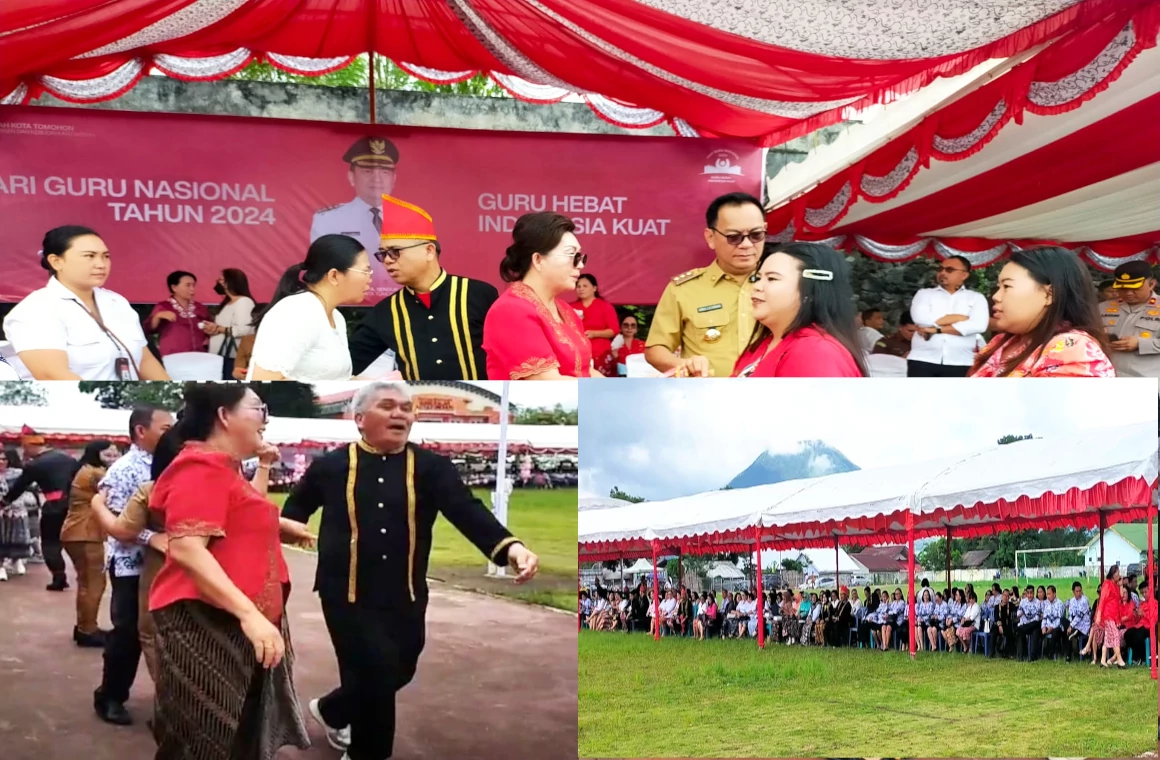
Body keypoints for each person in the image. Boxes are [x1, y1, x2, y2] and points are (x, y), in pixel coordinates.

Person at [281, 382, 540, 759]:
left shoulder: (432, 468)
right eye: (387, 406)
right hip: (346, 592)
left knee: (399, 668)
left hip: (407, 593)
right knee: (374, 673)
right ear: (359, 419)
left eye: (406, 408)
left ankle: (333, 710)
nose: (400, 414)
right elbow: (294, 511)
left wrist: (511, 547)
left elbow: (467, 510)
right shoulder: (331, 467)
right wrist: (289, 526)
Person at [147, 383, 313, 758]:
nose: (264, 421)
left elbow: (230, 512)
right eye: (258, 409)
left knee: (236, 731)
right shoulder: (199, 467)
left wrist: (282, 526)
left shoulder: (224, 467)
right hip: (206, 619)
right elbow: (188, 548)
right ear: (224, 415)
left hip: (236, 619)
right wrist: (249, 616)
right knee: (202, 737)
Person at [348, 195, 497, 380]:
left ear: (429, 251)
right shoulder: (386, 312)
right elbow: (345, 366)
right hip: (418, 407)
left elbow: (511, 355)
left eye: (395, 252)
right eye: (383, 254)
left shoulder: (478, 294)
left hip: (479, 405)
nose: (387, 260)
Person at [93, 405, 174, 726]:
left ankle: (171, 704)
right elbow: (110, 520)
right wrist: (150, 537)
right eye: (166, 429)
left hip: (168, 565)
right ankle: (110, 696)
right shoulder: (124, 469)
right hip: (131, 565)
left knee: (167, 634)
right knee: (127, 633)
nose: (174, 434)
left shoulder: (171, 463)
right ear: (142, 431)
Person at [3, 226, 170, 380]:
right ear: (56, 261)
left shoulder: (117, 303)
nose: (101, 264)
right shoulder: (36, 309)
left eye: (105, 256)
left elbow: (145, 360)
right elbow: (52, 375)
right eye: (89, 256)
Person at [646, 192, 763, 379]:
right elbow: (655, 350)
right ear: (710, 237)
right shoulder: (684, 289)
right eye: (734, 237)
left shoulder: (784, 284)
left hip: (770, 396)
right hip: (705, 399)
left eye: (756, 235)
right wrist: (685, 365)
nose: (747, 244)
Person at [482, 212, 594, 379]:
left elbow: (588, 372)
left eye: (581, 257)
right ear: (538, 260)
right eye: (573, 256)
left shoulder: (565, 310)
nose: (580, 265)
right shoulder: (511, 310)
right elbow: (547, 384)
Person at [971, 247, 1114, 377]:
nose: (996, 297)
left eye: (1007, 286)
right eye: (998, 287)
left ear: (1049, 294)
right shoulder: (1002, 341)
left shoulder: (1070, 349)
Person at [248, 234, 372, 381]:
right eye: (365, 271)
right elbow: (265, 380)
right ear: (334, 276)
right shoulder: (297, 312)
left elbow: (334, 380)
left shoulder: (336, 317)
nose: (370, 278)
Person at [732, 243, 866, 377]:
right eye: (758, 278)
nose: (756, 286)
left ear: (810, 292)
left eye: (772, 278)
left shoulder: (815, 353)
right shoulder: (766, 343)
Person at [310, 136, 403, 299]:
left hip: (402, 300)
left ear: (394, 178)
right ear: (351, 177)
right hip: (350, 305)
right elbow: (324, 269)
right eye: (368, 171)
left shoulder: (410, 219)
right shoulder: (328, 220)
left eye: (385, 171)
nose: (377, 178)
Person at [1, 426, 80, 592]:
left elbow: (19, 487)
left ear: (30, 446)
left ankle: (59, 578)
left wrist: (4, 502)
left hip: (54, 507)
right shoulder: (67, 458)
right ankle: (83, 574)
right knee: (74, 541)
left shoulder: (35, 464)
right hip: (75, 505)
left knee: (51, 544)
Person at [61, 439, 119, 647]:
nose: (113, 459)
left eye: (115, 455)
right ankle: (88, 630)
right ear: (97, 454)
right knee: (94, 583)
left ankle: (85, 626)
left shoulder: (85, 469)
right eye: (108, 455)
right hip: (85, 533)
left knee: (86, 583)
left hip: (77, 532)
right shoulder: (96, 473)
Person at [907, 255, 989, 377]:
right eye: (940, 269)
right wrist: (959, 318)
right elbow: (921, 320)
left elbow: (979, 325)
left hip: (961, 361)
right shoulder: (924, 294)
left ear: (964, 275)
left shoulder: (976, 298)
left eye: (949, 270)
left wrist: (935, 330)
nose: (942, 273)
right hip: (922, 359)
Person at [1099, 260, 1160, 378]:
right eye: (1122, 288)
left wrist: (1141, 343)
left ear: (1152, 284)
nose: (1128, 293)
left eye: (1135, 288)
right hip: (1107, 377)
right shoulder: (1102, 308)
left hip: (1146, 379)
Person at [206, 268, 257, 379]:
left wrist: (219, 329)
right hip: (220, 356)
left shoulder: (244, 302)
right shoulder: (228, 302)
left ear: (230, 282)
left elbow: (245, 329)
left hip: (232, 357)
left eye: (221, 279)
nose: (217, 281)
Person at [147, 271, 211, 357]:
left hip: (198, 354)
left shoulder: (200, 307)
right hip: (172, 355)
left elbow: (210, 328)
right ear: (174, 287)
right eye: (188, 285)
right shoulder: (163, 306)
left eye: (193, 285)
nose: (192, 289)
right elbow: (149, 329)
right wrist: (157, 317)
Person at [573, 274, 620, 376]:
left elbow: (614, 330)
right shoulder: (570, 307)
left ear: (594, 288)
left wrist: (595, 334)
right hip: (577, 354)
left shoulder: (605, 306)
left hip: (600, 353)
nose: (581, 289)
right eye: (578, 286)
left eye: (585, 286)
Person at [0, 447, 35, 583]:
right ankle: (1, 565)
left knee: (18, 537)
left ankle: (17, 560)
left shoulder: (18, 474)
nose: (1, 462)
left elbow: (26, 489)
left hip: (16, 509)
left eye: (4, 459)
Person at [1092, 567, 1127, 668]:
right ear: (1113, 574)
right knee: (1115, 635)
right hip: (1108, 615)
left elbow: (1120, 597)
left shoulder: (1115, 585)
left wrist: (1121, 585)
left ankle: (1103, 660)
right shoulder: (1107, 584)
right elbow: (1102, 600)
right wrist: (1099, 615)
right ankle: (1120, 660)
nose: (1119, 575)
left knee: (1107, 639)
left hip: (1114, 615)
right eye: (1117, 573)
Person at [1064, 581, 1091, 663]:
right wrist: (1070, 624)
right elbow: (1070, 614)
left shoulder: (1084, 600)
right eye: (1077, 591)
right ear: (1073, 592)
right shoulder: (1072, 601)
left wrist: (1071, 626)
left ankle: (1068, 657)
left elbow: (1079, 616)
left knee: (1068, 635)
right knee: (1063, 622)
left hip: (1083, 626)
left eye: (1080, 591)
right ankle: (1069, 654)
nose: (1079, 593)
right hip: (1075, 624)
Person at [1014, 585, 1041, 661]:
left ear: (1033, 593)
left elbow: (1037, 618)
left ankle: (1032, 656)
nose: (1029, 595)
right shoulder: (1023, 601)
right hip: (1024, 625)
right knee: (1020, 632)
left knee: (1033, 630)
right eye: (1028, 593)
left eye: (1031, 593)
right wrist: (1020, 614)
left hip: (1033, 625)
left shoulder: (1037, 602)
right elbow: (1018, 613)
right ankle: (1020, 656)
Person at [1040, 585, 1064, 659]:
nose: (1048, 596)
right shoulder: (1046, 604)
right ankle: (1039, 653)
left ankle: (1051, 653)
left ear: (1054, 594)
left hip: (1057, 627)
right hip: (1047, 626)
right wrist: (1043, 627)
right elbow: (1044, 617)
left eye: (1049, 594)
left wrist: (1052, 627)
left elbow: (1060, 619)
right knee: (1038, 631)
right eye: (1047, 594)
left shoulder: (1060, 604)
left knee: (1055, 632)